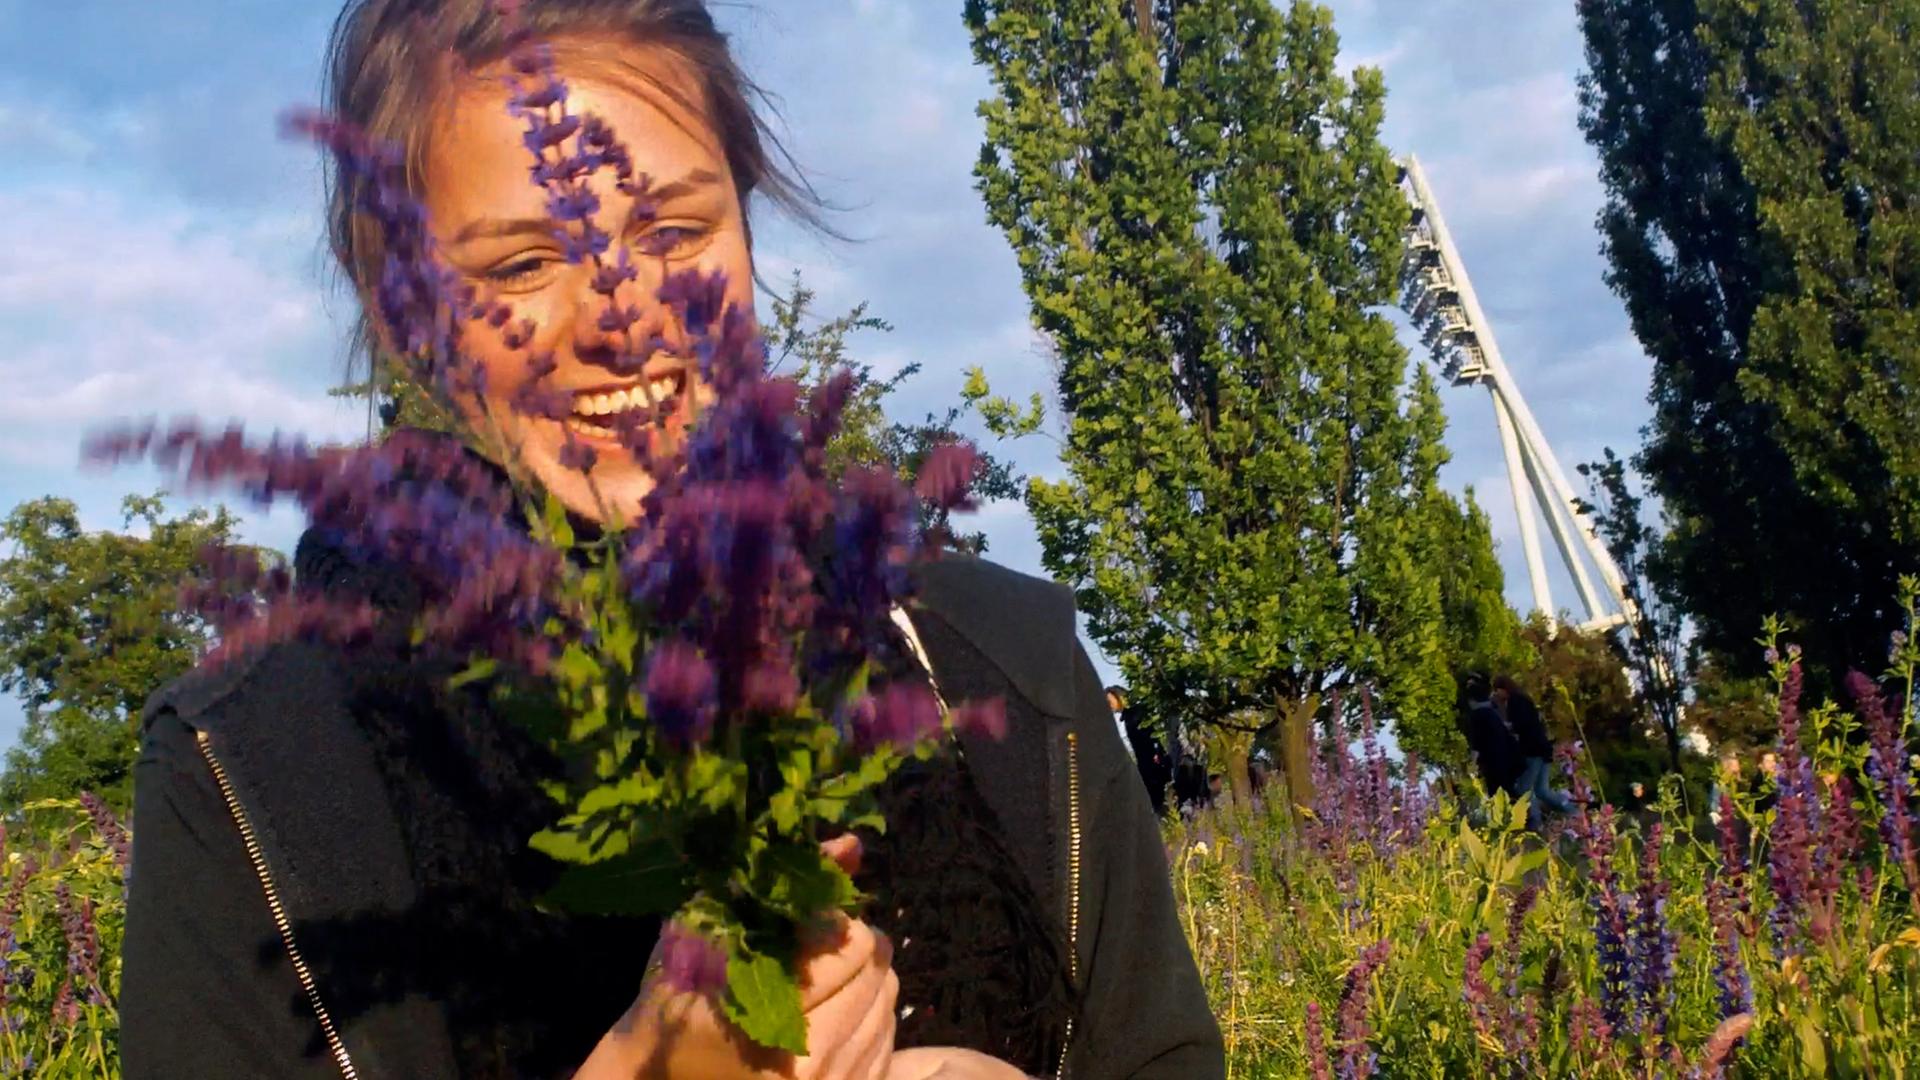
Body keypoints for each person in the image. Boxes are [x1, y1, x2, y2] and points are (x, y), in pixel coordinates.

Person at [117, 4, 1223, 1078]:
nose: (623, 318)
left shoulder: (1001, 663)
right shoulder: (249, 770)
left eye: (675, 231)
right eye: (519, 266)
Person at [1492, 675, 1573, 828]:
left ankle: (1535, 822)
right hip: (1543, 748)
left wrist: (1506, 726)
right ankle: (1573, 811)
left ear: (1503, 689)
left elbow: (1520, 725)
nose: (1497, 694)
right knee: (1542, 790)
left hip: (1532, 750)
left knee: (1524, 789)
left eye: (1497, 690)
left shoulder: (1515, 702)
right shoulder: (1524, 699)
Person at [1108, 686, 1172, 818]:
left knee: (1160, 801)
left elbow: (1152, 734)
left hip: (1153, 763)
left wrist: (1157, 754)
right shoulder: (1128, 717)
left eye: (1110, 702)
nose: (1109, 706)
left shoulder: (1137, 713)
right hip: (1145, 765)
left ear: (1119, 697)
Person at [1462, 675, 1523, 807]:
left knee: (1499, 797)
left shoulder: (1477, 716)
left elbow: (1476, 744)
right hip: (1509, 757)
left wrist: (1472, 764)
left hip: (1493, 763)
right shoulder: (1493, 712)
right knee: (1512, 792)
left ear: (1471, 701)